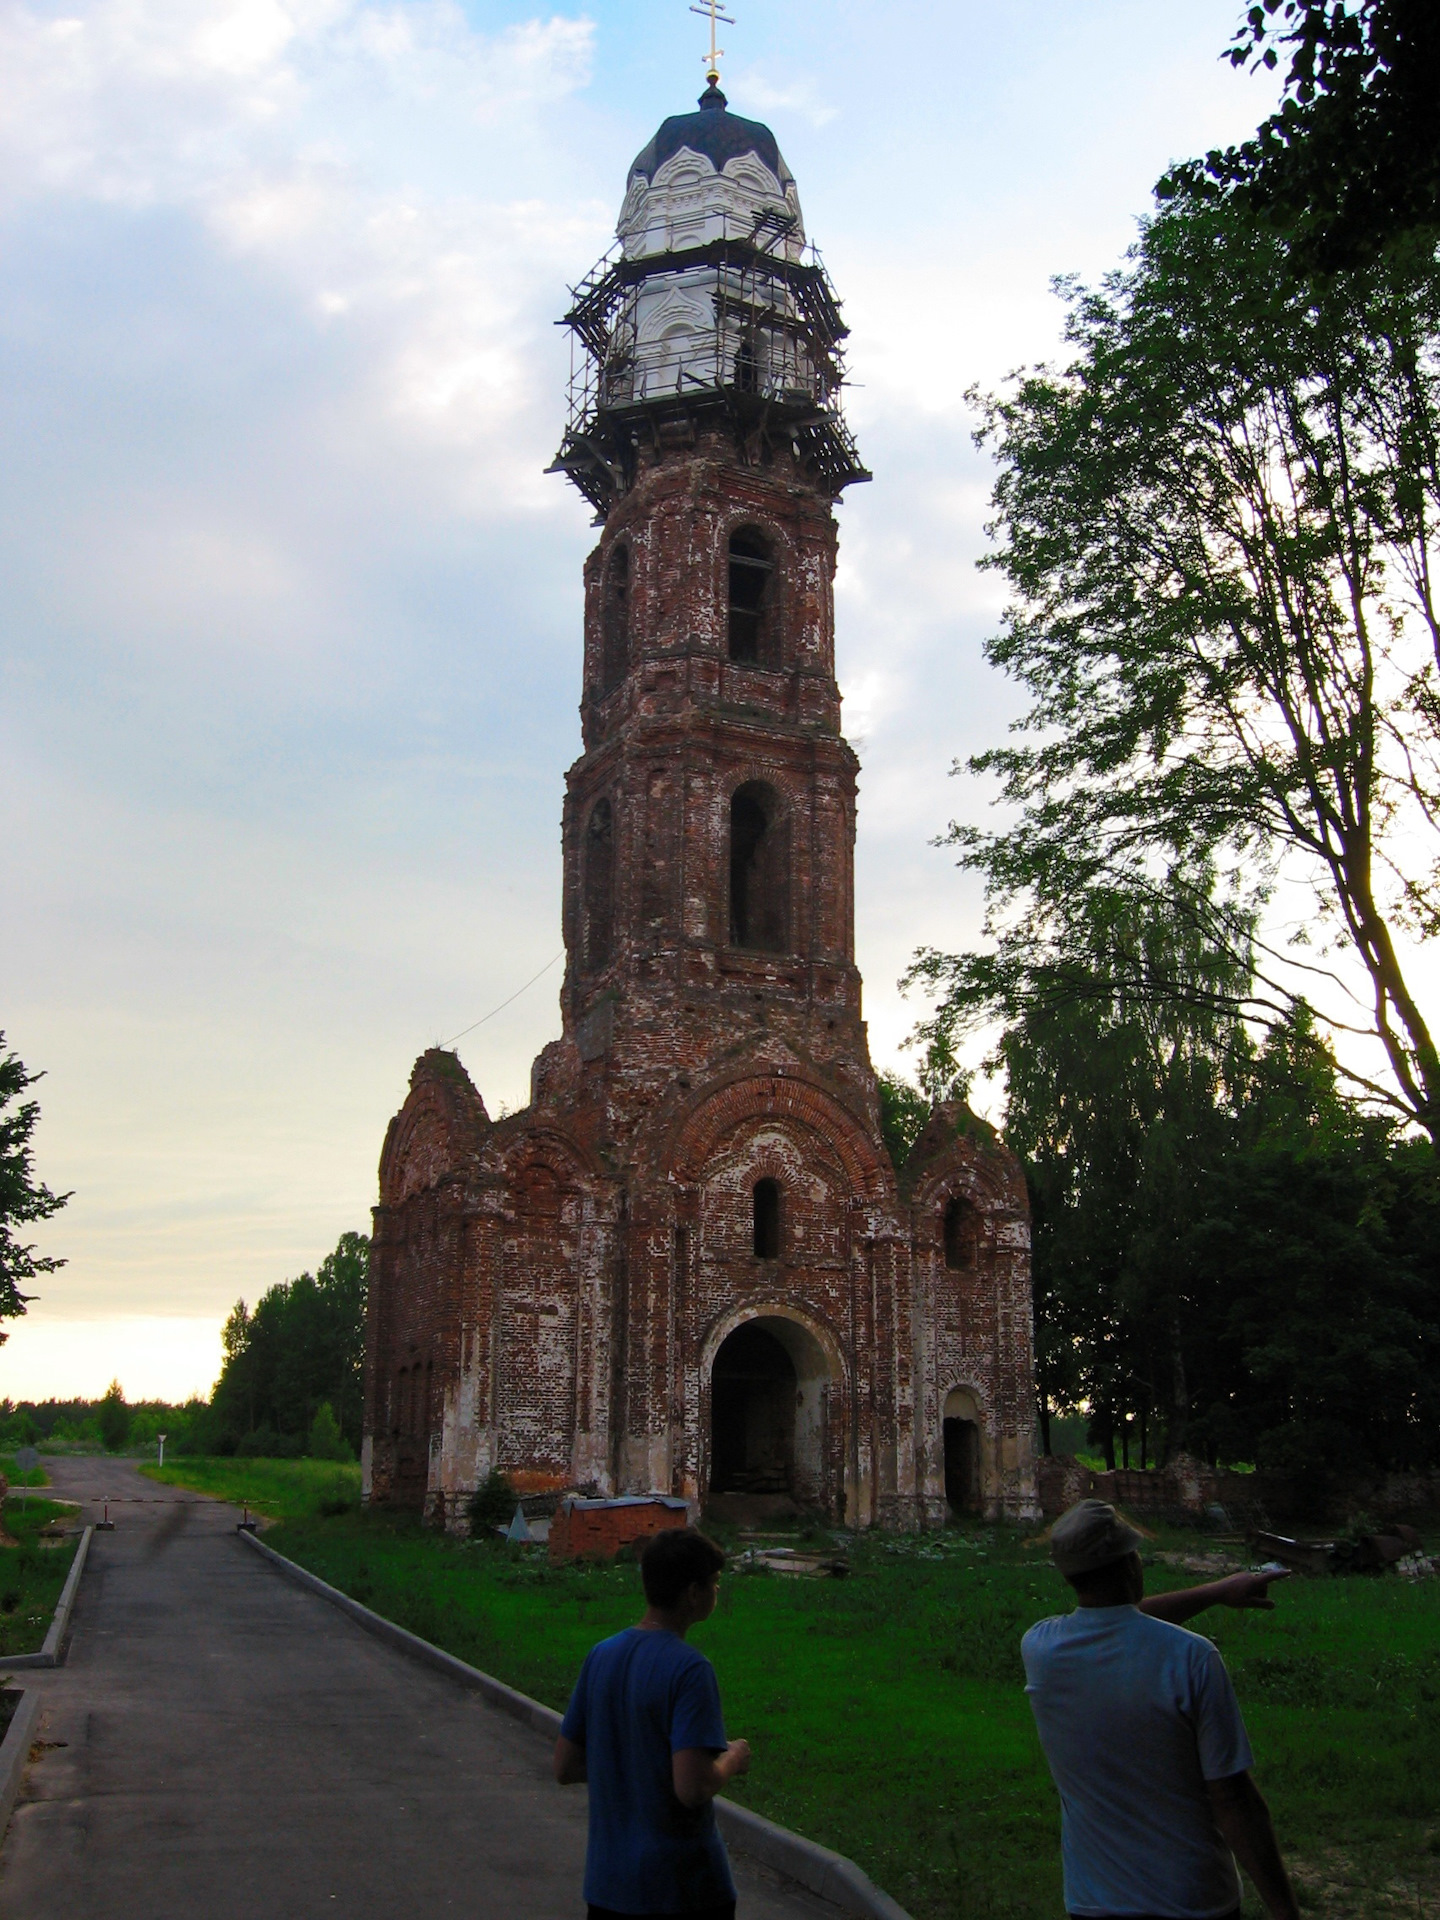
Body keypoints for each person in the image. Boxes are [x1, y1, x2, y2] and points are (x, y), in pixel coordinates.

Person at [1023, 1498, 1301, 1920]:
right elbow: (1233, 1799)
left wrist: (1215, 1592)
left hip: (1093, 1902)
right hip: (1194, 1900)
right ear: (1131, 1564)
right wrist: (1284, 1909)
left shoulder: (1041, 1649)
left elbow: (1114, 1622)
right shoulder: (1193, 1658)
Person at [554, 1527, 751, 1920]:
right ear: (693, 1593)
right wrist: (732, 1758)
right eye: (713, 1583)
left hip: (608, 1888)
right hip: (681, 1889)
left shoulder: (601, 1655)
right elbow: (691, 1788)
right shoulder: (690, 1669)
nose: (716, 1591)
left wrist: (629, 1765)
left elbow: (565, 1766)